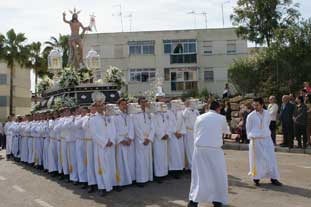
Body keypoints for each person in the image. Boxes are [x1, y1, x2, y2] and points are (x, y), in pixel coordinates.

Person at [188, 101, 230, 207]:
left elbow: (195, 134)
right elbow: (227, 131)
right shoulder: (221, 118)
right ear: (218, 108)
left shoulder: (199, 117)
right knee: (217, 175)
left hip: (200, 149)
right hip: (214, 150)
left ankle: (193, 201)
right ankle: (217, 200)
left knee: (199, 176)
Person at [246, 97, 282, 187]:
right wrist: (253, 136)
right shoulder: (251, 116)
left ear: (262, 105)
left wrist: (264, 132)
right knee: (257, 160)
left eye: (257, 105)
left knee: (271, 158)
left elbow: (267, 124)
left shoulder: (267, 114)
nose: (255, 107)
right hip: (256, 140)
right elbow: (248, 129)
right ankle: (256, 178)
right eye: (254, 105)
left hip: (267, 139)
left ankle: (273, 178)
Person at [89, 99, 117, 196]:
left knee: (111, 165)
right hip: (101, 146)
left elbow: (114, 130)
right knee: (102, 167)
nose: (101, 107)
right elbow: (94, 134)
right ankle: (102, 187)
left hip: (110, 145)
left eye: (102, 105)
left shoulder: (109, 117)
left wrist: (112, 140)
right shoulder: (93, 119)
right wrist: (105, 142)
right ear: (96, 107)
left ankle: (111, 184)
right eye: (99, 105)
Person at [132, 97, 155, 187]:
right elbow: (136, 128)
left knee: (148, 158)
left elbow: (153, 126)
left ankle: (148, 177)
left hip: (148, 139)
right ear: (138, 103)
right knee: (140, 160)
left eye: (145, 102)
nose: (144, 103)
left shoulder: (150, 114)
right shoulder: (135, 114)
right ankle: (141, 179)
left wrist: (149, 138)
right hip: (140, 140)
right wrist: (143, 138)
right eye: (142, 102)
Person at [114, 98, 135, 188]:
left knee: (130, 161)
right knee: (121, 162)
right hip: (121, 142)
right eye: (122, 104)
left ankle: (130, 179)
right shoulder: (114, 116)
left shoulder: (129, 116)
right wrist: (121, 140)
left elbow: (131, 127)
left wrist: (130, 138)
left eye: (125, 104)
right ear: (118, 105)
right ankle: (121, 182)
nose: (124, 106)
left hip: (129, 141)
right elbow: (113, 130)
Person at [183, 99, 200, 169]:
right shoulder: (186, 110)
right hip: (189, 132)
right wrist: (187, 107)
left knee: (195, 148)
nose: (194, 104)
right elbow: (184, 116)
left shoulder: (196, 111)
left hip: (195, 131)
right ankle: (191, 166)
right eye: (192, 102)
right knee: (189, 149)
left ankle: (195, 164)